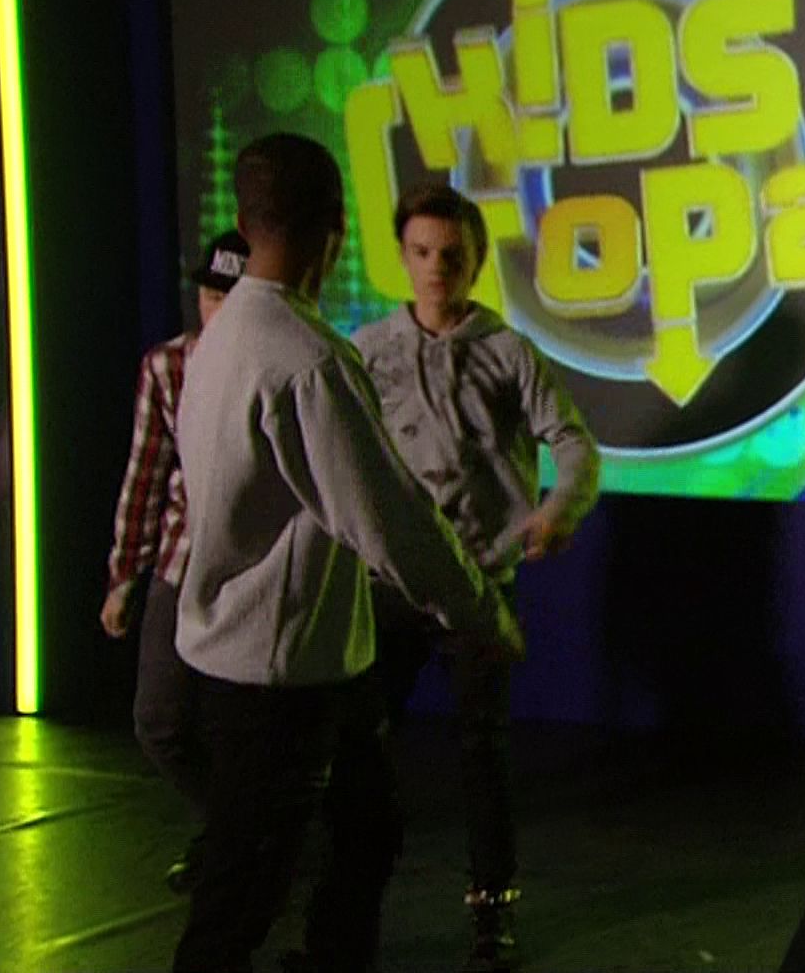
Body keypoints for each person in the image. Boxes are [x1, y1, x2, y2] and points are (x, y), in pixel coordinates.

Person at [170, 133, 523, 973]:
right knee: (242, 898)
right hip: (281, 674)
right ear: (335, 231)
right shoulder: (310, 362)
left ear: (247, 223)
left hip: (281, 661)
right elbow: (391, 522)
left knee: (361, 834)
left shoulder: (222, 338)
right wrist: (480, 609)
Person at [352, 181, 600, 971]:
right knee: (361, 744)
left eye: (451, 255)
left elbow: (573, 441)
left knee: (480, 751)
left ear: (476, 260)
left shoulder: (505, 350)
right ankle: (348, 908)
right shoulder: (370, 351)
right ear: (402, 256)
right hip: (392, 580)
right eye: (422, 252)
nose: (436, 268)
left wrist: (557, 508)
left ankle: (492, 906)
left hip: (480, 577)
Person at [99, 229, 247, 893]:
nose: (219, 309)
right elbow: (146, 473)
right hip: (181, 563)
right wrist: (124, 577)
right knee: (159, 721)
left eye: (232, 297)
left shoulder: (283, 362)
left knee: (238, 725)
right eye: (211, 295)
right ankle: (236, 829)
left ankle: (240, 844)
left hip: (254, 572)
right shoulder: (168, 366)